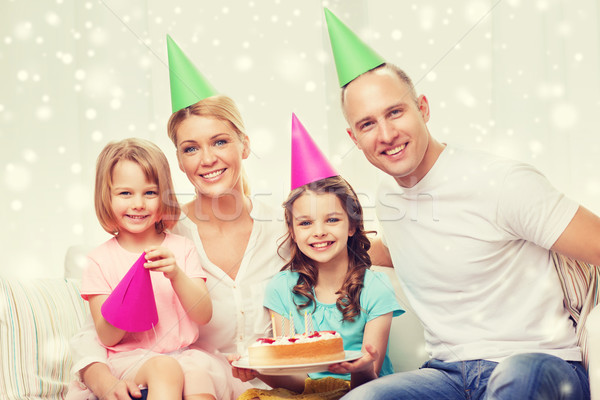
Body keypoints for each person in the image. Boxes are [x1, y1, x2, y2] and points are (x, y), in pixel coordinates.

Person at [323, 8, 600, 400]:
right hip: (448, 375)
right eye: (368, 124)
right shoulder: (389, 200)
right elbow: (405, 245)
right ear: (354, 138)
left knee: (517, 377)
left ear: (423, 108)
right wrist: (337, 247)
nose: (385, 134)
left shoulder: (502, 182)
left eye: (395, 112)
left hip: (537, 363)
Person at [67, 36, 287, 400]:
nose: (207, 160)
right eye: (190, 149)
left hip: (262, 386)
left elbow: (349, 249)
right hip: (179, 380)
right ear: (179, 162)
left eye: (219, 142)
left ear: (244, 145)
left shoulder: (286, 227)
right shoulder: (161, 232)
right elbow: (97, 335)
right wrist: (104, 382)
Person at [232, 115, 404, 399]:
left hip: (364, 390)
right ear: (292, 231)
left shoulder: (375, 288)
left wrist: (361, 366)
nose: (319, 232)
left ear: (352, 225)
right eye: (306, 223)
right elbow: (294, 382)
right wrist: (260, 370)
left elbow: (370, 381)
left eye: (332, 219)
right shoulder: (281, 289)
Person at [71, 137, 236, 400]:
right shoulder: (100, 260)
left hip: (185, 354)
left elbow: (203, 315)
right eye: (125, 193)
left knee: (200, 378)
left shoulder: (182, 248)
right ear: (107, 197)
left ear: (164, 197)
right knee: (164, 367)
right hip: (130, 361)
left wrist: (176, 275)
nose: (138, 203)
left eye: (150, 193)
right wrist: (130, 291)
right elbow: (107, 337)